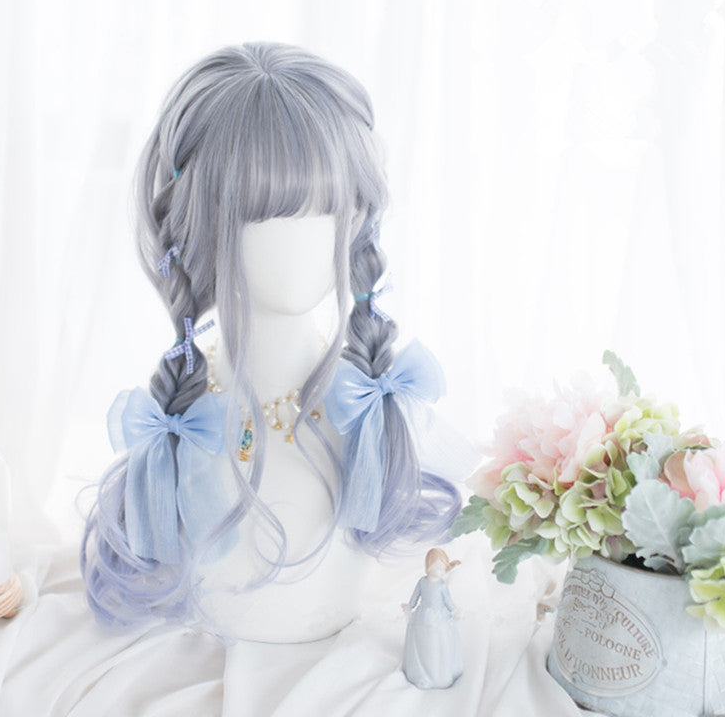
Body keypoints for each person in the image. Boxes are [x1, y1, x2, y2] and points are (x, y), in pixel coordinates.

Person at [81, 43, 462, 640]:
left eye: (326, 209)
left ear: (356, 217)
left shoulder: (367, 411)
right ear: (205, 223)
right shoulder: (182, 429)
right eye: (263, 215)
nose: (301, 244)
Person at [402, 547, 462, 689]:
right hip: (423, 616)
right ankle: (421, 673)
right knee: (423, 644)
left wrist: (454, 610)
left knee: (439, 643)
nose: (440, 571)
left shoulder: (442, 586)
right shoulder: (422, 582)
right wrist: (409, 607)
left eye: (442, 568)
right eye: (437, 567)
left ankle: (439, 673)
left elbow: (448, 601)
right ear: (428, 566)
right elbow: (415, 597)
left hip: (439, 617)